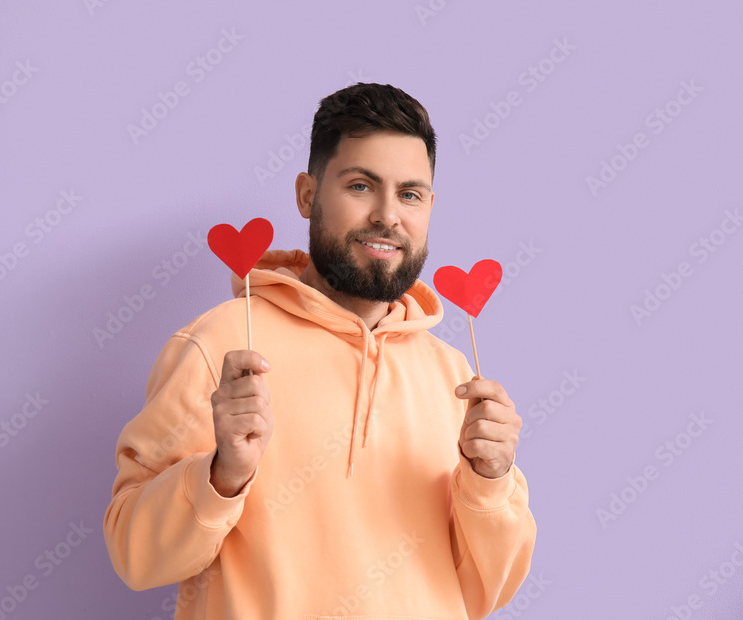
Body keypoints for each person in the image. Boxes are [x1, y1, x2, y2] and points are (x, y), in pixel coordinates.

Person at [103, 82, 536, 619]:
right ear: (308, 195)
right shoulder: (218, 346)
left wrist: (491, 484)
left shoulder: (454, 377)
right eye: (360, 185)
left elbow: (483, 593)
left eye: (409, 194)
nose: (387, 216)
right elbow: (133, 556)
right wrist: (221, 476)